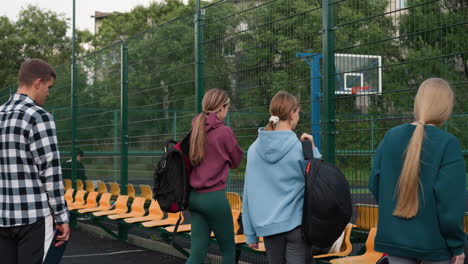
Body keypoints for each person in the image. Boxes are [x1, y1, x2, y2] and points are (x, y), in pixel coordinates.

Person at [369, 78, 466, 264]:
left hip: (395, 240)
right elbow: (450, 206)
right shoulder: (448, 144)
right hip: (435, 246)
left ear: (418, 103)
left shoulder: (391, 137)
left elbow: (375, 183)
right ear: (446, 107)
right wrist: (457, 246)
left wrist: (395, 211)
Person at [0, 59, 70, 264]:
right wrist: (62, 217)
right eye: (49, 87)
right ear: (38, 82)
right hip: (34, 218)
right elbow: (50, 173)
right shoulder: (39, 117)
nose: (48, 93)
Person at [242, 91, 322, 264]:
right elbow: (320, 179)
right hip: (296, 224)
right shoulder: (301, 148)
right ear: (292, 114)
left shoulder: (254, 149)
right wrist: (313, 149)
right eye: (298, 112)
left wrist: (250, 233)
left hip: (269, 228)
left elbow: (248, 192)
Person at [186, 88, 243, 264]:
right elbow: (236, 161)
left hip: (194, 197)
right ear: (221, 108)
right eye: (227, 107)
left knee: (196, 254)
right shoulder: (224, 132)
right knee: (228, 252)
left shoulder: (195, 128)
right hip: (214, 198)